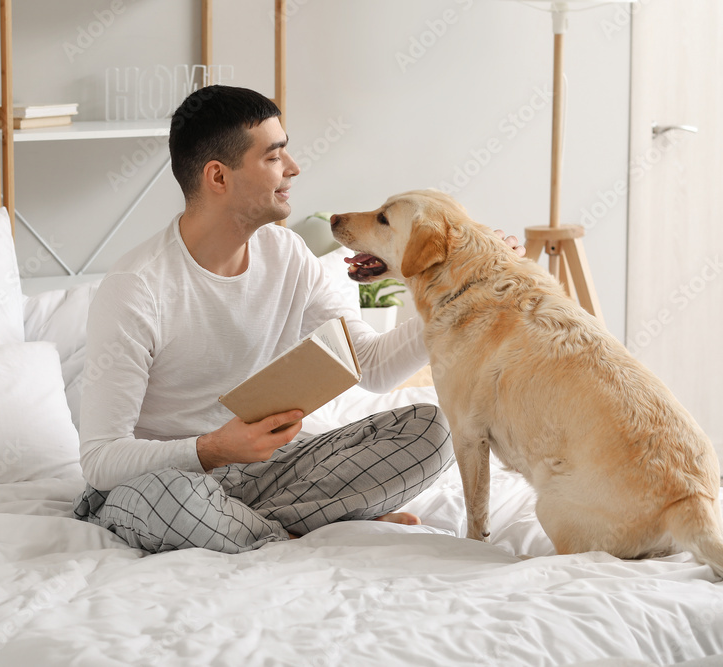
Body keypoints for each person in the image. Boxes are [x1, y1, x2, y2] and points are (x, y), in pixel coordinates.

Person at [73, 85, 519, 554]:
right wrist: (214, 448)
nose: (294, 168)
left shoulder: (286, 254)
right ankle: (291, 531)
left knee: (434, 429)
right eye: (273, 156)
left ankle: (249, 527)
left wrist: (464, 291)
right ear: (218, 177)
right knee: (173, 499)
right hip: (166, 481)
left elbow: (372, 366)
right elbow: (101, 461)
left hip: (266, 470)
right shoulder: (136, 286)